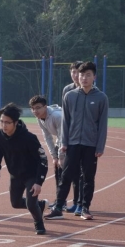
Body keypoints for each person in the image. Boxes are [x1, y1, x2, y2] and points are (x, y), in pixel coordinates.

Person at [45, 61, 108, 221]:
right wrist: (64, 143)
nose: (84, 78)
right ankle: (58, 208)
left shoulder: (101, 98)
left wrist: (100, 146)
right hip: (72, 144)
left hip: (90, 144)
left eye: (88, 75)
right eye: (82, 75)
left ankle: (85, 208)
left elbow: (102, 124)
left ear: (94, 77)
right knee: (66, 176)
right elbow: (65, 122)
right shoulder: (70, 96)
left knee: (88, 177)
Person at [0, 102, 49, 235]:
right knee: (15, 203)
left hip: (31, 175)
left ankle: (39, 223)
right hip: (15, 175)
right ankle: (40, 205)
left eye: (7, 122)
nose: (4, 125)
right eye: (1, 122)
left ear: (16, 122)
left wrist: (39, 182)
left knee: (30, 204)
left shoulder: (29, 138)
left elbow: (43, 159)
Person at [29, 95, 65, 208]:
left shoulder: (56, 116)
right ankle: (60, 201)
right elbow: (47, 137)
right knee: (58, 171)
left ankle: (78, 203)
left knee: (69, 172)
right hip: (61, 140)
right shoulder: (40, 117)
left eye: (38, 107)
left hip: (73, 140)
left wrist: (60, 157)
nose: (35, 111)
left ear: (45, 107)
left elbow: (62, 136)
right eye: (33, 108)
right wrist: (54, 156)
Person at [61, 60, 84, 215]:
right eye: (73, 72)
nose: (75, 75)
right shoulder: (67, 90)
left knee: (83, 173)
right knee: (71, 172)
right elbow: (65, 116)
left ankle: (81, 203)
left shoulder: (91, 90)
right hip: (70, 137)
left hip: (84, 138)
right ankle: (72, 202)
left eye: (78, 72)